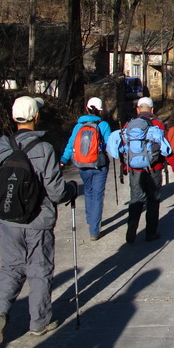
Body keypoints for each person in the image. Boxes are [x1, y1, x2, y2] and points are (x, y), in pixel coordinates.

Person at [0, 96, 77, 342]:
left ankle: (0, 312)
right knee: (39, 270)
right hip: (37, 222)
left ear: (13, 118)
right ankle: (39, 322)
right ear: (36, 117)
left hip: (8, 219)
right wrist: (71, 190)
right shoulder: (43, 149)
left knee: (11, 269)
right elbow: (55, 192)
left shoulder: (1, 146)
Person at [108, 97, 174, 244]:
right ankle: (150, 233)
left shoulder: (129, 125)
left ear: (138, 110)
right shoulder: (158, 124)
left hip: (135, 169)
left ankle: (132, 223)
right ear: (152, 110)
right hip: (154, 169)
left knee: (136, 199)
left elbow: (123, 147)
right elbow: (166, 148)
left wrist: (125, 165)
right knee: (153, 201)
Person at [59, 97, 112, 241]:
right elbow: (109, 144)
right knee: (98, 194)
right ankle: (94, 230)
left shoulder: (78, 126)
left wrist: (64, 159)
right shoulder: (104, 125)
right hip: (99, 165)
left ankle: (91, 221)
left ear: (86, 108)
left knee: (88, 192)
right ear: (100, 110)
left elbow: (71, 144)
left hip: (82, 164)